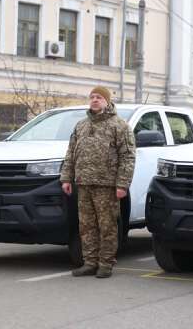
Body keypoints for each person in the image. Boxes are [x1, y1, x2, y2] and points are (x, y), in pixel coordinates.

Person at [60, 86, 136, 279]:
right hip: (83, 183)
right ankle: (90, 262)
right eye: (92, 97)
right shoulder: (81, 126)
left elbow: (127, 157)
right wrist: (66, 178)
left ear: (107, 101)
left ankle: (106, 264)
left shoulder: (119, 126)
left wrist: (122, 184)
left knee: (107, 225)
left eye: (99, 97)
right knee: (86, 225)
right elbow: (71, 153)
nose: (95, 100)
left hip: (107, 185)